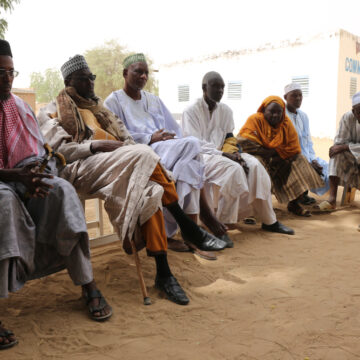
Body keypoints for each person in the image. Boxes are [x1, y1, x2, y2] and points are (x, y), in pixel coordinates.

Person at [38, 55, 227, 307]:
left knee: (151, 190)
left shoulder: (100, 110)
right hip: (81, 167)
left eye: (92, 77)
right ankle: (188, 226)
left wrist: (122, 147)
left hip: (120, 163)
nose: (92, 83)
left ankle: (163, 273)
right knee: (142, 153)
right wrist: (96, 145)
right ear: (69, 81)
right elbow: (60, 151)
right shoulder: (51, 110)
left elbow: (127, 140)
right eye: (85, 78)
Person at [0, 41, 112, 350]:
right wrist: (17, 178)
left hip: (23, 177)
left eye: (11, 72)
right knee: (4, 202)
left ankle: (87, 284)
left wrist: (36, 172)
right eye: (0, 72)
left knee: (60, 188)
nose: (7, 79)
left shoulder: (20, 107)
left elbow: (38, 151)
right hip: (3, 184)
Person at [104, 54, 232, 246]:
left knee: (190, 164)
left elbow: (175, 130)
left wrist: (170, 137)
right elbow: (117, 136)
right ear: (125, 73)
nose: (144, 76)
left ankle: (184, 232)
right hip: (141, 150)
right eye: (138, 71)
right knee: (193, 148)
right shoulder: (113, 101)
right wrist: (150, 137)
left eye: (146, 73)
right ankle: (200, 222)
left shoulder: (154, 100)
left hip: (168, 149)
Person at [181, 71, 294, 235]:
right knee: (233, 170)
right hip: (200, 156)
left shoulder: (226, 110)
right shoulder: (191, 111)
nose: (220, 91)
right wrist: (226, 156)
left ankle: (270, 221)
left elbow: (228, 137)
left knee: (255, 166)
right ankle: (221, 225)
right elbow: (194, 143)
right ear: (204, 87)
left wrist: (235, 155)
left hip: (223, 154)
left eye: (222, 87)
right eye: (215, 86)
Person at [238, 96, 324, 217]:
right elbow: (243, 141)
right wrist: (265, 152)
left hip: (278, 157)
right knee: (256, 163)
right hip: (258, 156)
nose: (275, 115)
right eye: (272, 112)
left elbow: (294, 148)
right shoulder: (255, 120)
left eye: (279, 112)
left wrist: (274, 153)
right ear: (264, 110)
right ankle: (253, 210)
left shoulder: (286, 124)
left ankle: (294, 203)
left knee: (299, 160)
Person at [284, 83, 330, 204]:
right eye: (294, 95)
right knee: (303, 167)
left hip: (305, 156)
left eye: (300, 95)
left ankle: (303, 194)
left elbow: (308, 141)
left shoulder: (303, 116)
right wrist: (307, 161)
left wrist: (313, 159)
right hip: (290, 157)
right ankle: (297, 196)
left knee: (326, 167)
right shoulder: (281, 115)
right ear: (285, 97)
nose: (298, 98)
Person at [318, 91, 360, 210]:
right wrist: (345, 147)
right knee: (336, 153)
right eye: (359, 112)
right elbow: (339, 143)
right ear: (353, 111)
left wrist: (347, 147)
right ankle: (332, 200)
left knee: (340, 149)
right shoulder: (347, 117)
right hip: (353, 160)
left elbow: (343, 145)